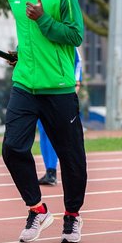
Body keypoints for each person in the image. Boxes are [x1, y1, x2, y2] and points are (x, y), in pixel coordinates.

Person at [2, 0, 87, 243]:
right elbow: (29, 40)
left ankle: (73, 216)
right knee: (12, 148)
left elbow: (75, 35)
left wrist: (43, 20)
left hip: (59, 89)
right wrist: (20, 55)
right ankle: (37, 209)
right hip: (25, 84)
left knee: (72, 157)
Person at [38, 47, 82, 186]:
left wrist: (76, 82)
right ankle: (50, 171)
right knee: (44, 132)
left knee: (61, 133)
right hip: (39, 89)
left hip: (61, 92)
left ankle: (67, 172)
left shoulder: (61, 35)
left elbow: (77, 60)